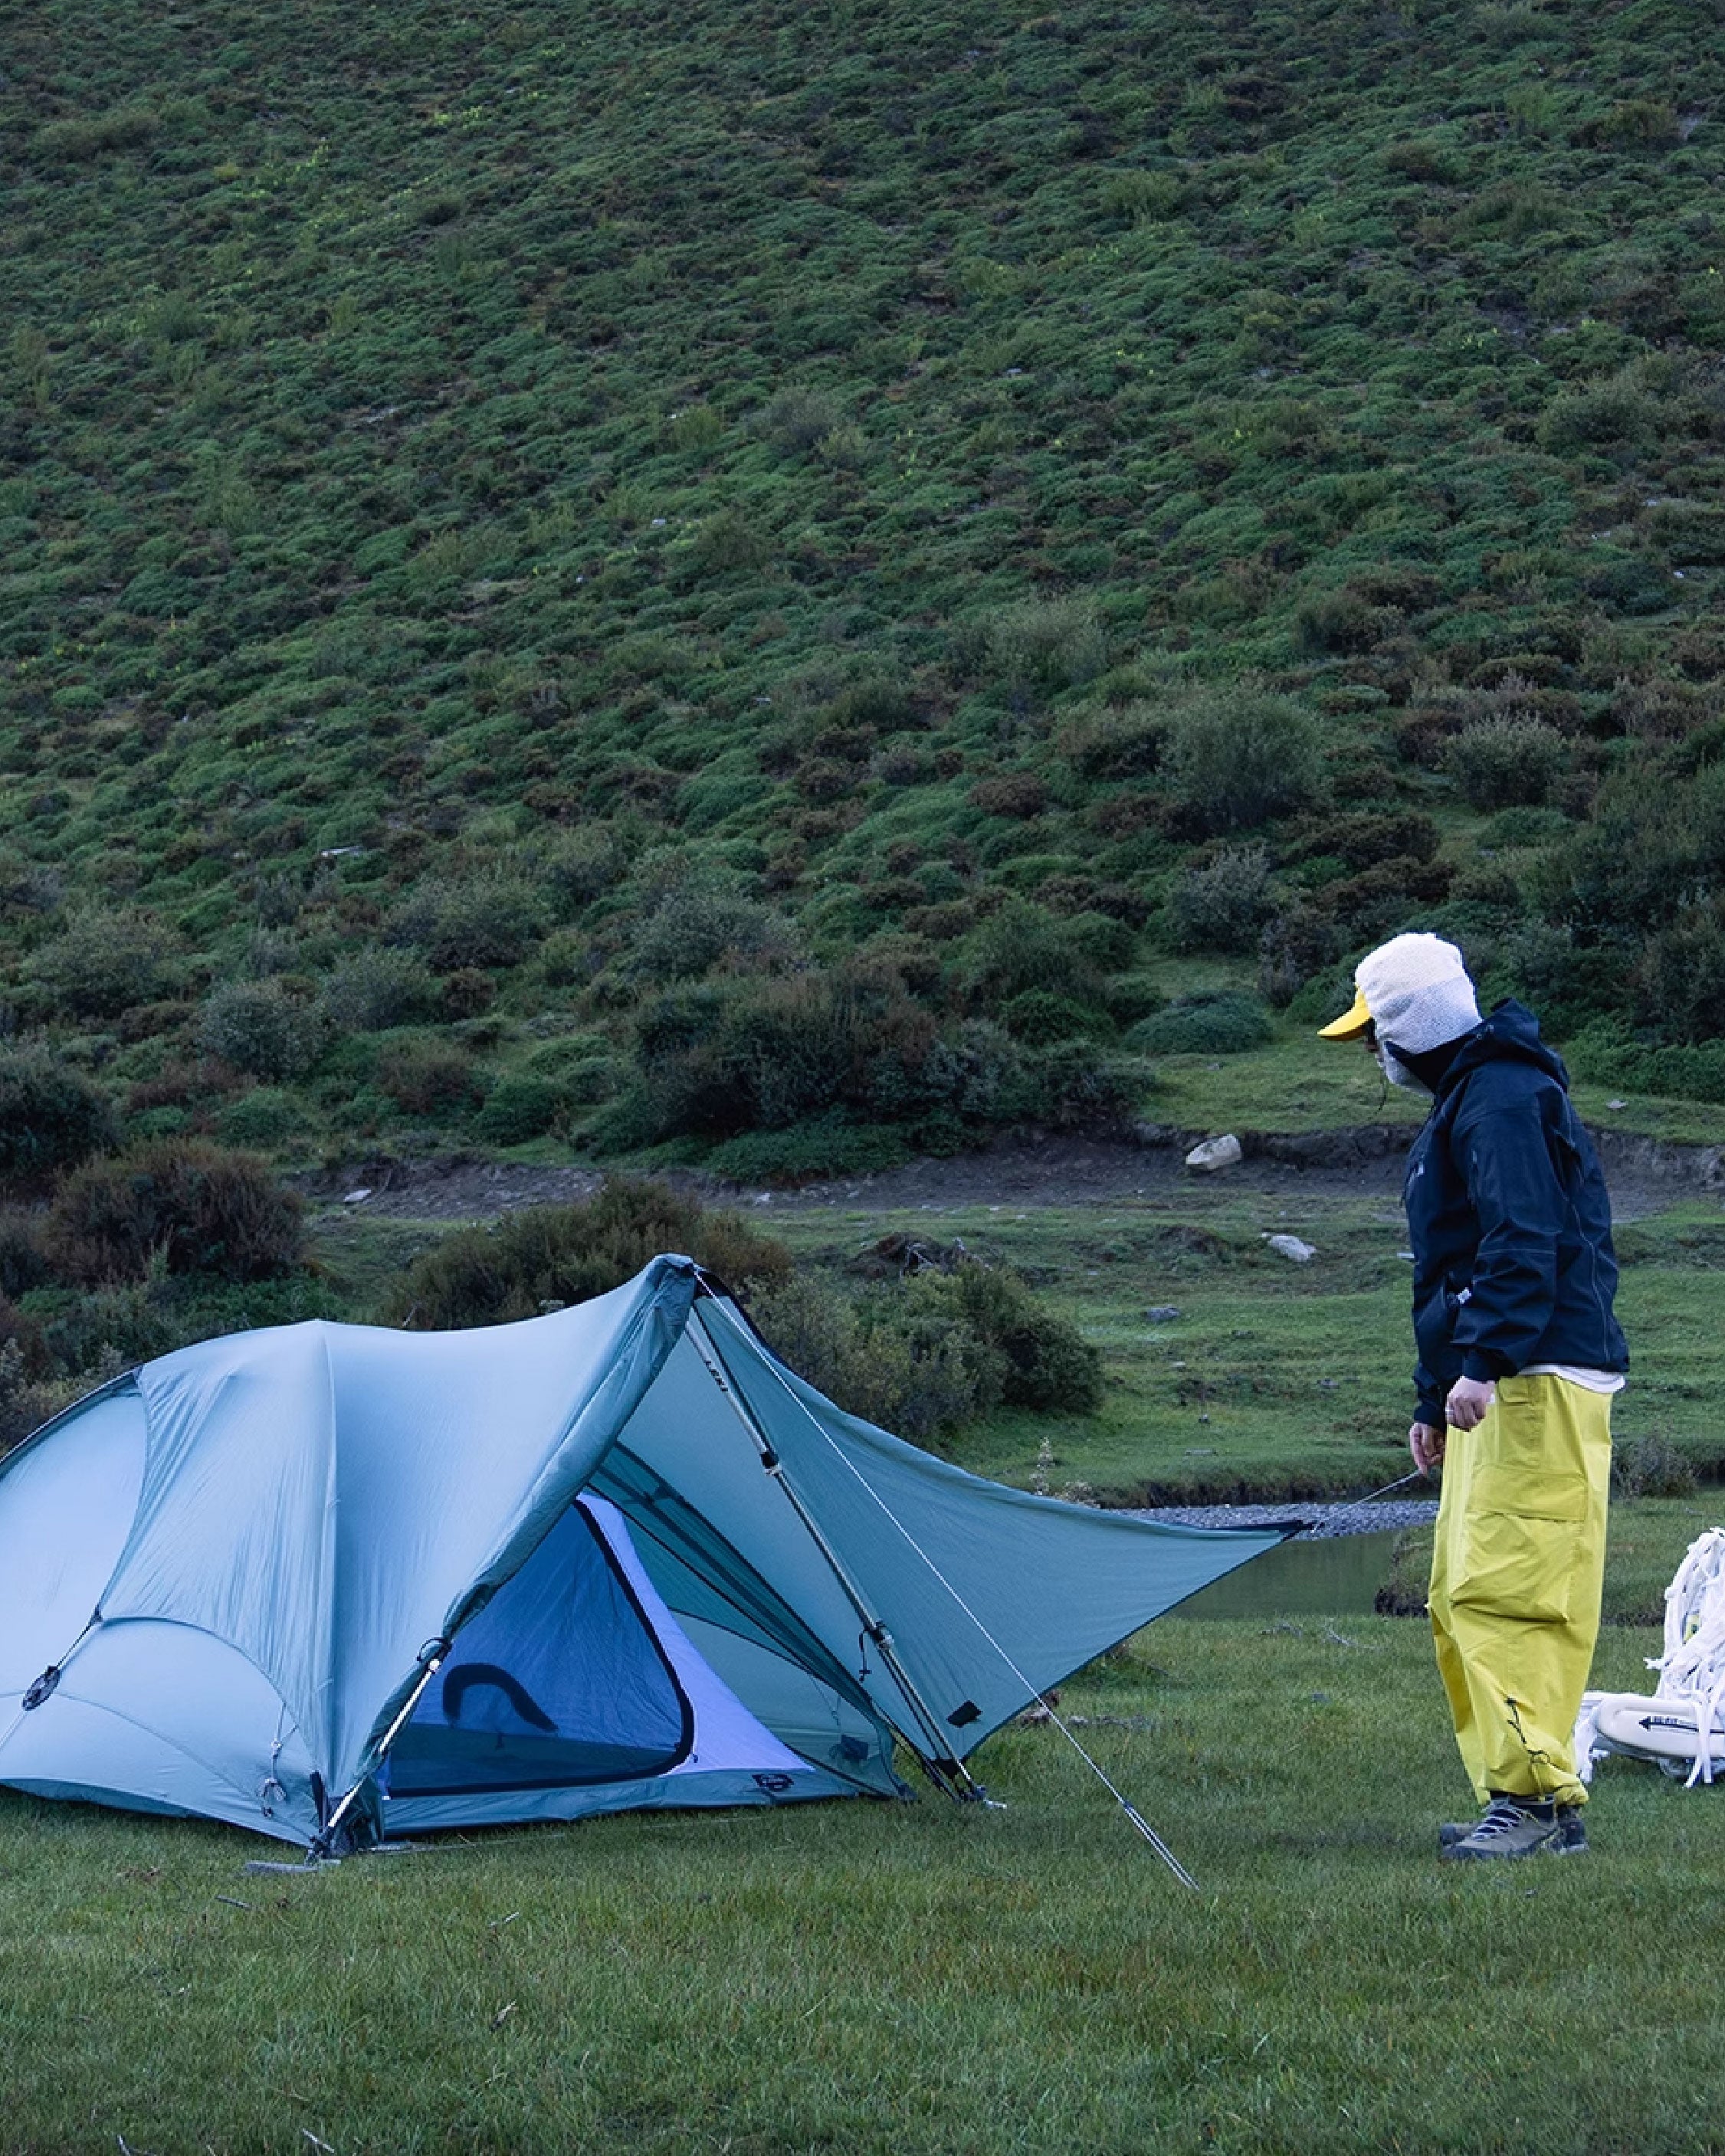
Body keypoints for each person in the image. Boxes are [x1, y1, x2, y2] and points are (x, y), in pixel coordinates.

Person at [1319, 932, 1628, 1859]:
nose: (1373, 1055)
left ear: (1411, 1029)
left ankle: (1536, 1808)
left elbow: (1520, 1239)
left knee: (1508, 1591)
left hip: (1533, 1376)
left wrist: (1483, 1363)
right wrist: (1432, 1394)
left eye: (1376, 1036)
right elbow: (1454, 1261)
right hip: (1508, 1375)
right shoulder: (1479, 1095)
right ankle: (1522, 1794)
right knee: (1459, 1592)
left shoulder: (1496, 1100)